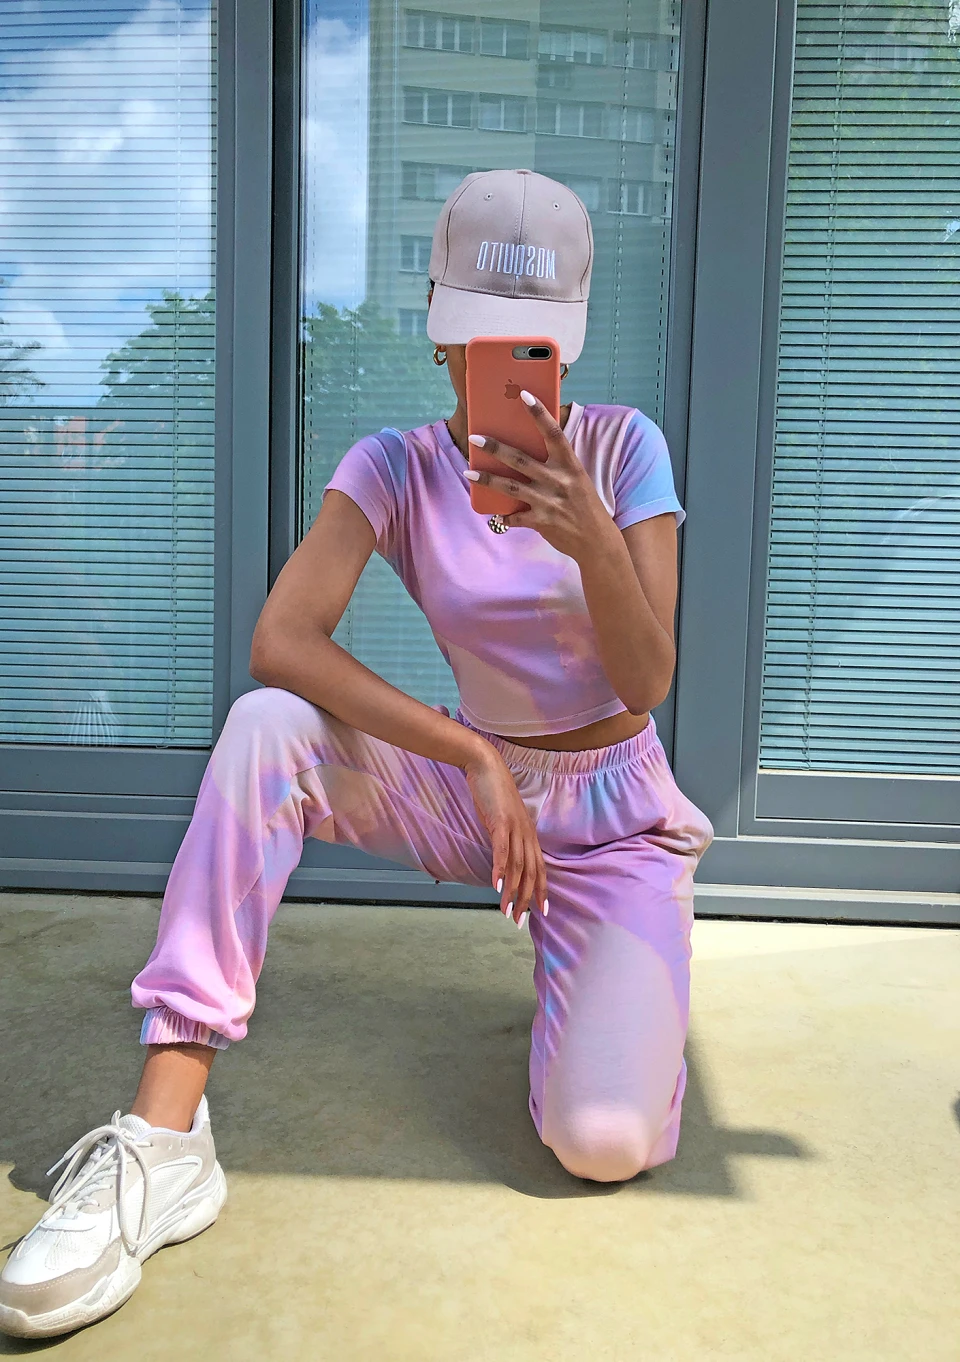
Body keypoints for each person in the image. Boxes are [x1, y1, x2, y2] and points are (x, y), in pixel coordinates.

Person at [0, 168, 714, 1340]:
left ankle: (613, 978)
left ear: (569, 342)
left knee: (602, 1144)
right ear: (439, 327)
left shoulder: (625, 449)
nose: (498, 367)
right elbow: (282, 641)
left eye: (530, 344)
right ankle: (166, 1132)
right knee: (264, 726)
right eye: (478, 337)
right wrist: (472, 758)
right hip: (473, 792)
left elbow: (646, 682)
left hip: (614, 822)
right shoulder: (395, 466)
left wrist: (591, 537)